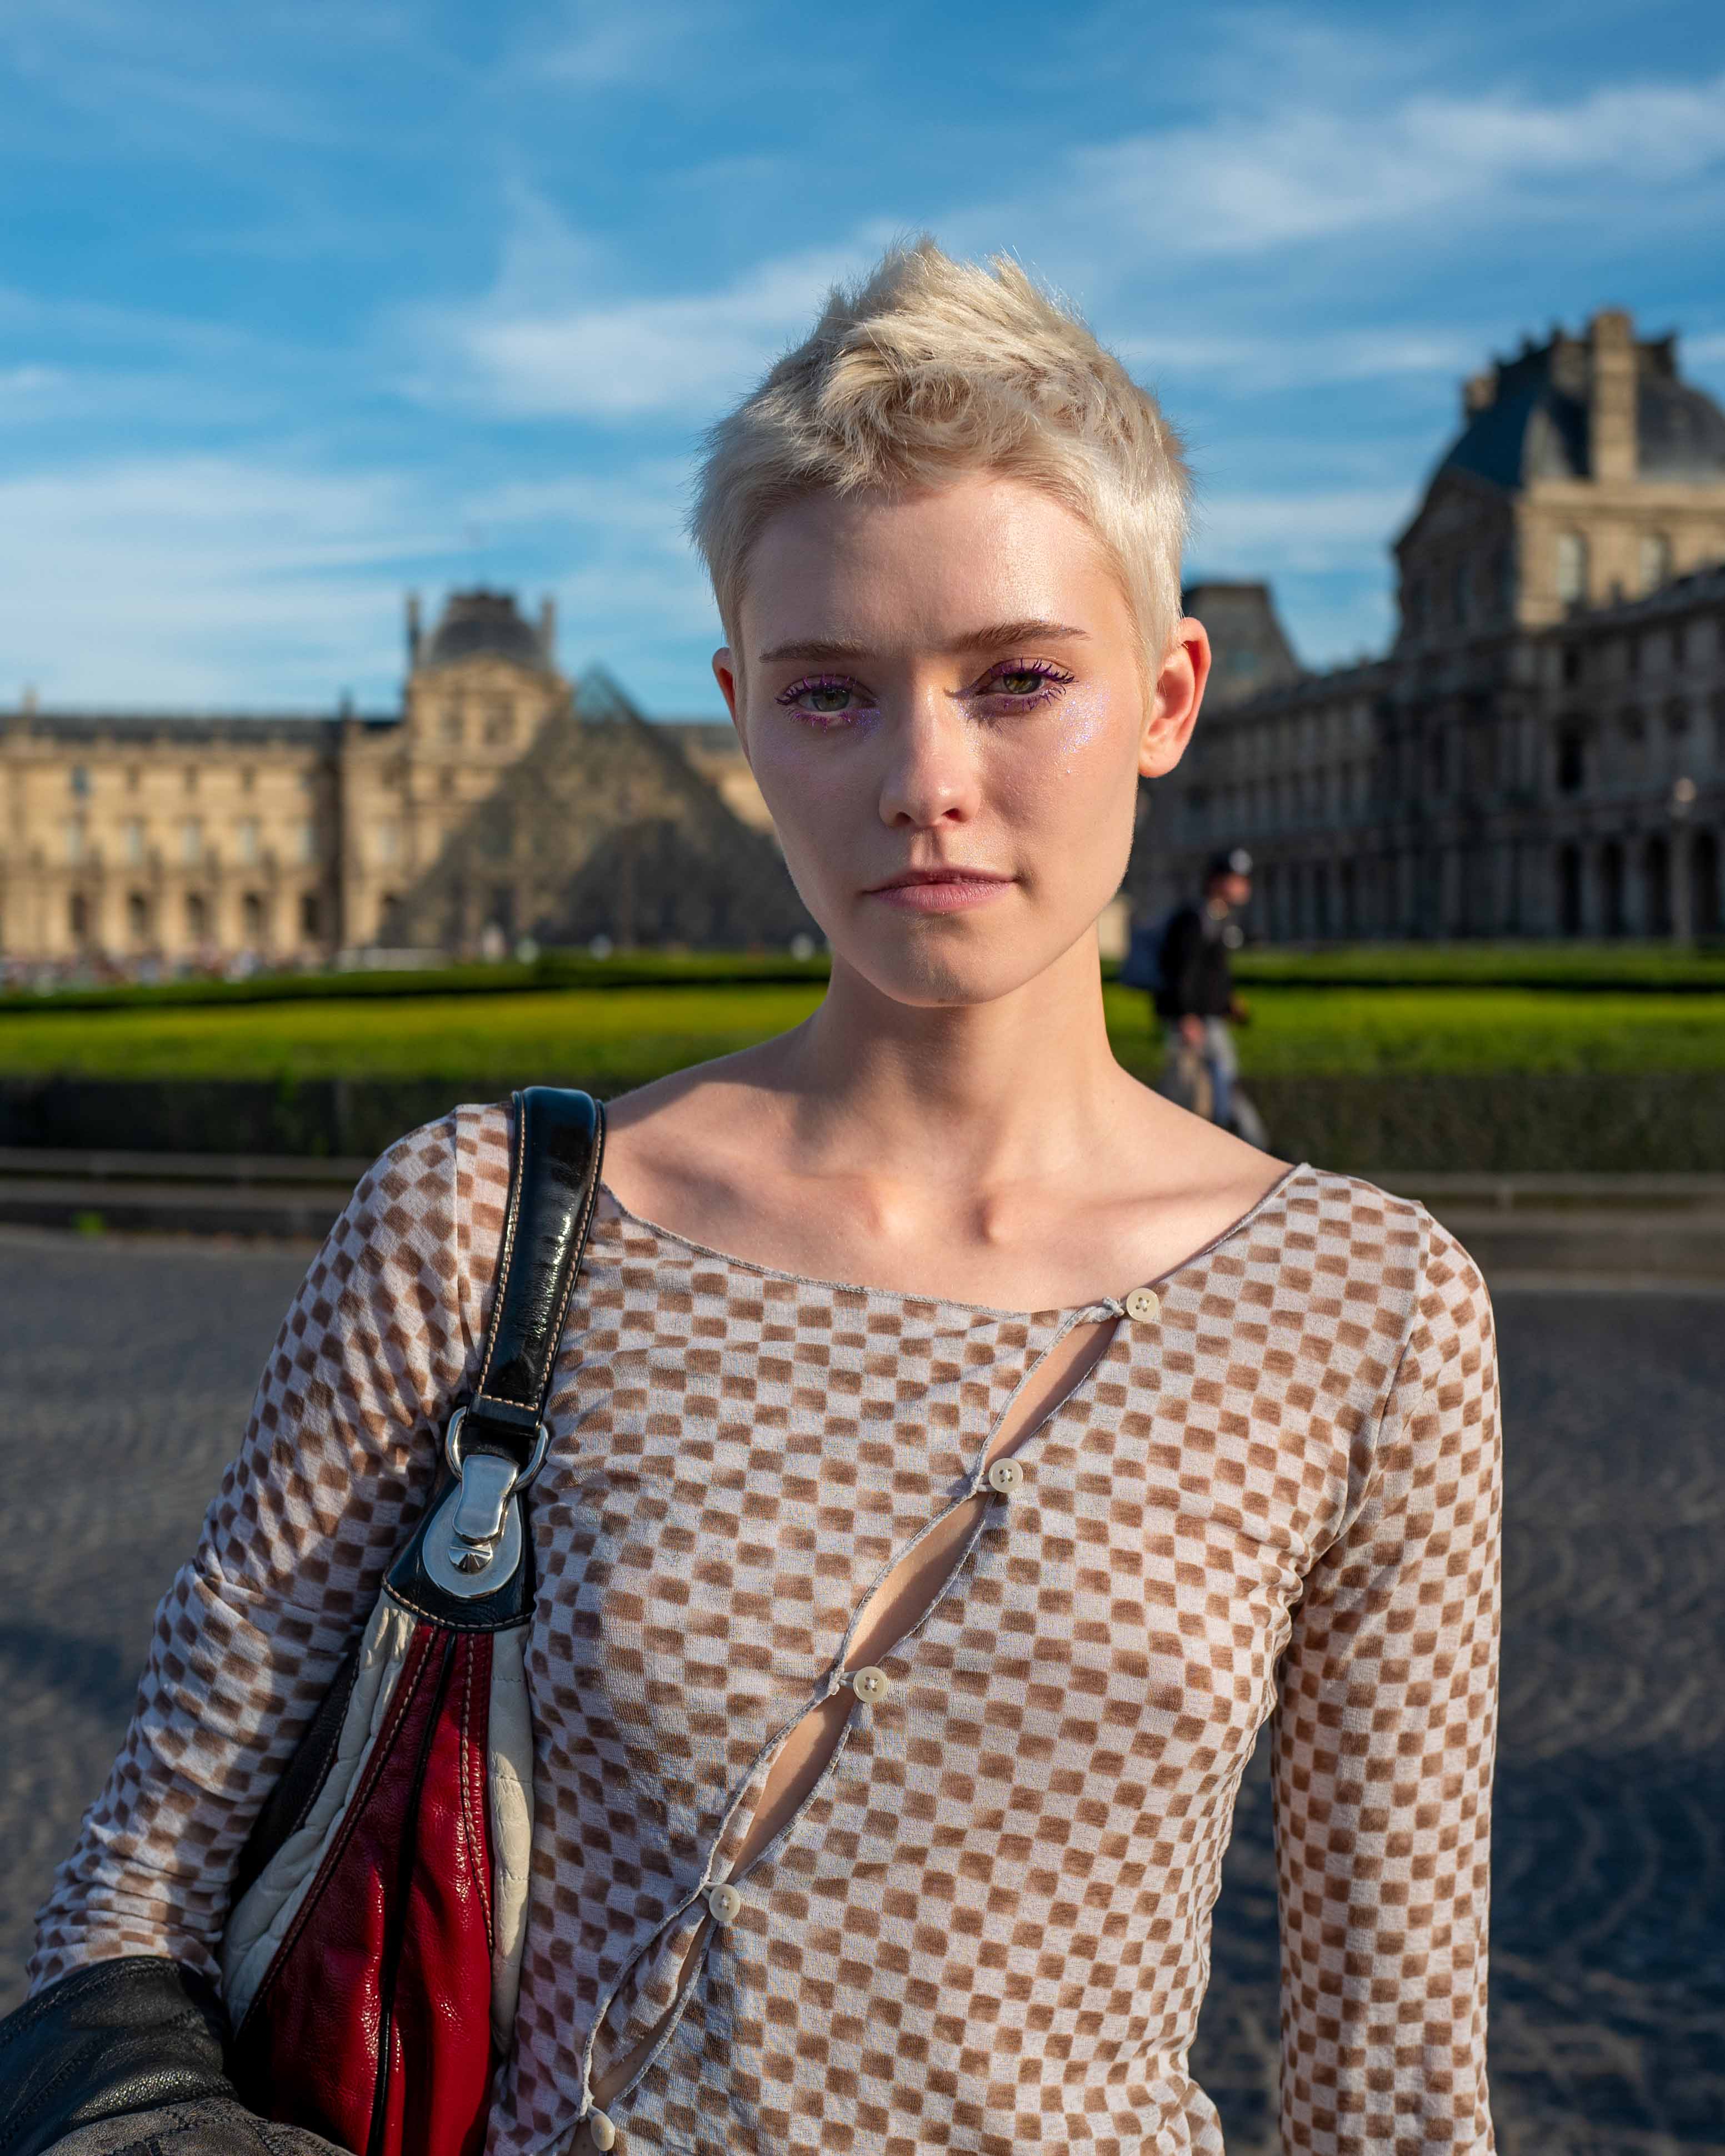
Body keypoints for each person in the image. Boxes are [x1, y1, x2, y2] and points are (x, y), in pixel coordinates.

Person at [14, 243, 1500, 2156]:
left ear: (1167, 691)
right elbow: (132, 1893)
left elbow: (1389, 2095)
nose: (921, 782)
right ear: (734, 710)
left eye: (1017, 679)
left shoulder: (1364, 1309)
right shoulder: (476, 1227)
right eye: (829, 695)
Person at [1152, 846, 1266, 1145]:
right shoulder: (1194, 919)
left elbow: (1213, 974)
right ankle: (1250, 1145)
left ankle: (1236, 1142)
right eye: (1235, 879)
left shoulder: (1219, 918)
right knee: (1198, 1087)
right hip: (1195, 1020)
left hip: (1209, 1018)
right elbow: (1181, 971)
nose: (1242, 886)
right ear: (1216, 881)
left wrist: (1229, 1003)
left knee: (1216, 1084)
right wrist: (1186, 1015)